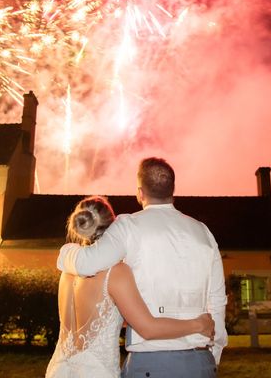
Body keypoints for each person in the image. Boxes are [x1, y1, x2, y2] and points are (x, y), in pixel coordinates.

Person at [58, 157, 228, 378]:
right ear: (173, 190)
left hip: (150, 363)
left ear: (140, 192)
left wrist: (64, 253)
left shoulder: (128, 226)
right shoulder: (203, 232)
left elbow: (88, 263)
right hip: (200, 362)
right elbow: (217, 300)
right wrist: (211, 356)